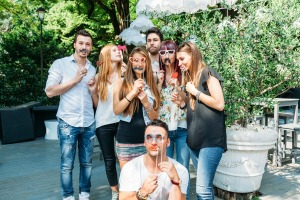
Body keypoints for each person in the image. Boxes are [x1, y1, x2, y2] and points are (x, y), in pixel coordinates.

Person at [172, 42, 227, 200]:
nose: (180, 63)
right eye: (178, 60)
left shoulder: (207, 73)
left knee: (202, 191)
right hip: (195, 142)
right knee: (205, 189)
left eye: (182, 59)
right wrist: (183, 104)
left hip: (211, 141)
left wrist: (195, 92)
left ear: (193, 55)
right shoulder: (191, 78)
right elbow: (198, 109)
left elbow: (219, 104)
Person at [45, 29, 96, 200]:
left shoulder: (93, 69)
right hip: (68, 122)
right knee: (67, 165)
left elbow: (95, 100)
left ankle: (84, 194)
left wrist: (94, 90)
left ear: (91, 47)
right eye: (81, 43)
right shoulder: (60, 64)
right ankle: (68, 196)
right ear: (74, 44)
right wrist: (75, 80)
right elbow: (50, 92)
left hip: (89, 122)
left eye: (87, 44)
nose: (84, 47)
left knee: (87, 163)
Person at [88, 44, 126, 200]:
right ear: (106, 56)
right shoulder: (98, 77)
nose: (118, 51)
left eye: (119, 50)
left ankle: (127, 188)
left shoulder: (124, 73)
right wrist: (92, 92)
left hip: (122, 121)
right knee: (109, 160)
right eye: (114, 50)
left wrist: (126, 75)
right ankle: (115, 191)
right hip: (103, 123)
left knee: (125, 158)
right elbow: (98, 105)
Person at [113, 47, 160, 169]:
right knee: (127, 181)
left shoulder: (152, 85)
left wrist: (146, 103)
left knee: (147, 180)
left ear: (147, 63)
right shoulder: (120, 83)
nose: (140, 64)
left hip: (147, 140)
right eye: (136, 60)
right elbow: (116, 110)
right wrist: (133, 92)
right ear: (131, 61)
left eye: (143, 60)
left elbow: (154, 116)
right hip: (126, 140)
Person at [119, 119, 189, 200]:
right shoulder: (130, 168)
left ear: (168, 142)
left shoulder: (180, 170)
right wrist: (142, 193)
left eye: (159, 138)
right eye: (149, 137)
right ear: (144, 142)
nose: (153, 142)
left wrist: (176, 182)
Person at [157, 40, 190, 171]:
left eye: (170, 52)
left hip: (182, 127)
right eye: (163, 52)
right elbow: (154, 103)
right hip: (165, 128)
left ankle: (183, 192)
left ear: (175, 54)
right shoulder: (157, 75)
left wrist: (177, 86)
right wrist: (159, 84)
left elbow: (187, 101)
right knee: (166, 168)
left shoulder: (184, 74)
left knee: (183, 168)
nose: (166, 55)